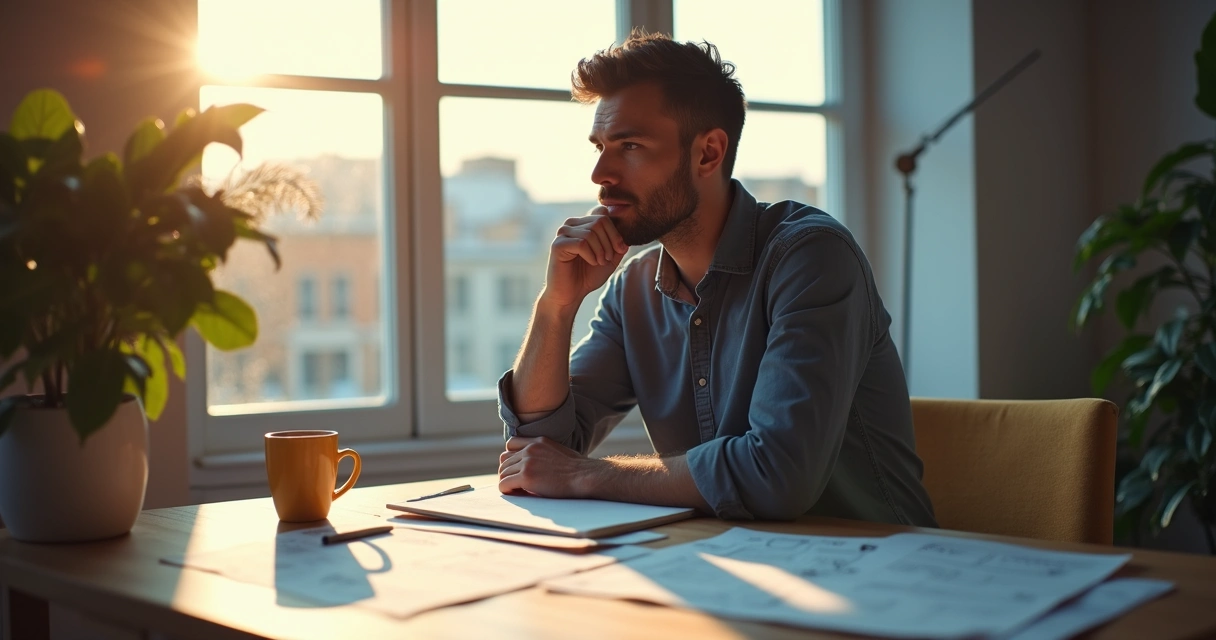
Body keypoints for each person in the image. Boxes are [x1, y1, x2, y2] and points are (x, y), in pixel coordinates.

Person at [495, 31, 936, 526]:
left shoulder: (811, 258)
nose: (600, 172)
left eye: (630, 145)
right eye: (600, 146)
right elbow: (536, 452)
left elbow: (777, 477)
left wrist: (585, 475)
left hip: (882, 568)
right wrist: (556, 305)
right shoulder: (633, 290)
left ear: (708, 153)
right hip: (732, 565)